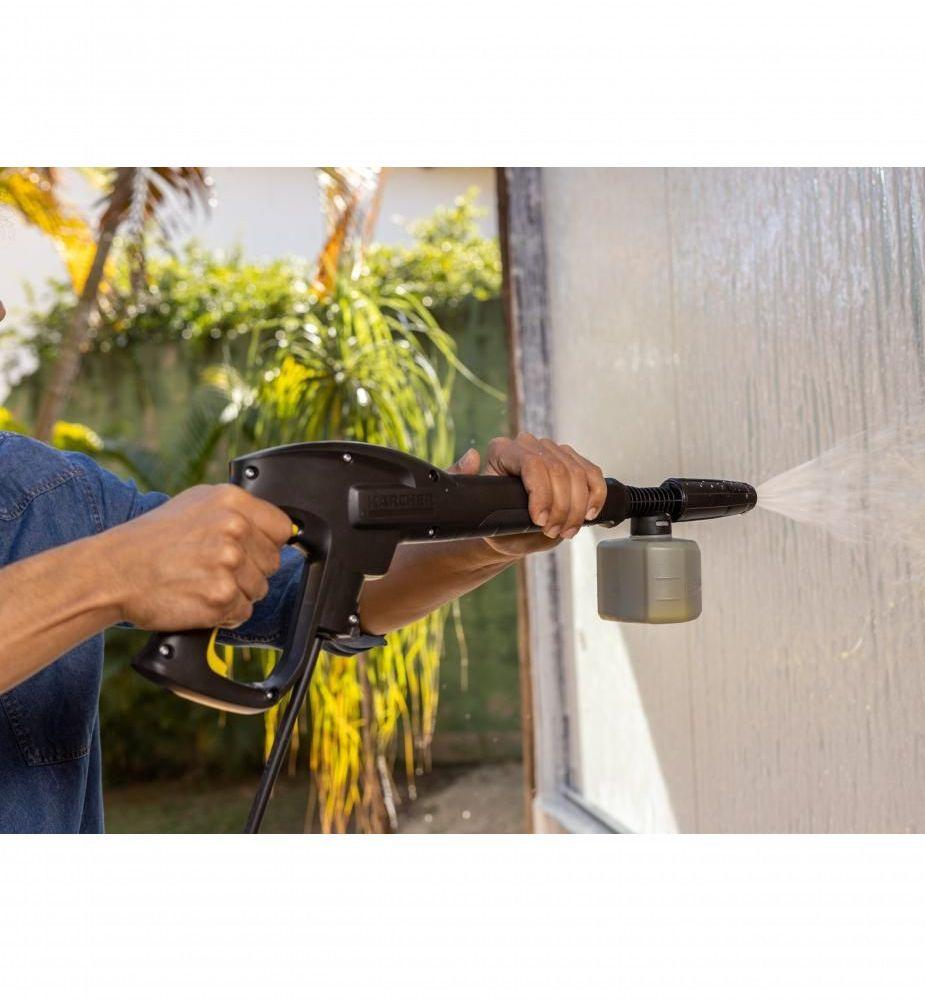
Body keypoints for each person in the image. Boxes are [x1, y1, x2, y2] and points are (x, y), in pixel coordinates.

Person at [0, 297, 607, 833]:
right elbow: (127, 566)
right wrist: (112, 574)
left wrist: (485, 537)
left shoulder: (51, 493)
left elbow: (313, 596)